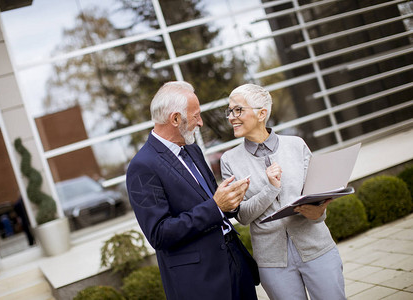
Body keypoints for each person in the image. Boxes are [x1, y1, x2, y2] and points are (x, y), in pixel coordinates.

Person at [126, 81, 259, 300]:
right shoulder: (142, 166)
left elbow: (214, 201)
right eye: (196, 115)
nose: (201, 122)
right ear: (175, 119)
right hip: (201, 283)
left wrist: (232, 198)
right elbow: (159, 233)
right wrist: (216, 207)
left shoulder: (193, 150)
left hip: (236, 265)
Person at [220, 83, 346, 300]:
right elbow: (242, 216)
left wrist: (319, 213)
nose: (231, 117)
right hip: (273, 263)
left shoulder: (296, 145)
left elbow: (316, 194)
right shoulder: (229, 160)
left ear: (262, 114)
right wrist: (270, 189)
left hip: (317, 248)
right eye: (229, 111)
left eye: (238, 110)